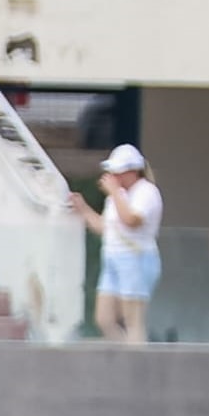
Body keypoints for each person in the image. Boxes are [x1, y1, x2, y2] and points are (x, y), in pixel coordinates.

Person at [70, 144, 163, 344]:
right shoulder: (117, 198)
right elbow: (106, 228)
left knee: (132, 318)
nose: (113, 176)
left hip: (136, 258)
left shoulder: (146, 192)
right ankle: (124, 353)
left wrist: (114, 193)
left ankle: (136, 361)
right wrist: (84, 210)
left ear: (131, 171)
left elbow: (131, 220)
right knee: (104, 318)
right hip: (113, 257)